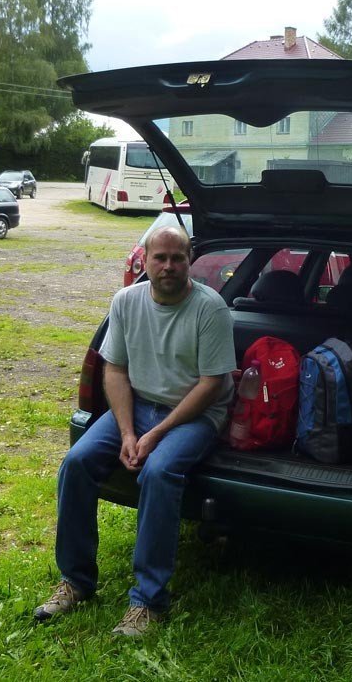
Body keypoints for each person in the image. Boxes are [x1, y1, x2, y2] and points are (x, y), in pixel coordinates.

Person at [35, 224, 236, 637]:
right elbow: (115, 369)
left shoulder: (210, 308)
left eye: (177, 257)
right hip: (137, 406)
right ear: (143, 260)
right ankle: (75, 581)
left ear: (190, 260)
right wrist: (127, 432)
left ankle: (148, 602)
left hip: (194, 414)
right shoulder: (125, 301)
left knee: (159, 472)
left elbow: (211, 384)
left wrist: (155, 434)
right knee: (76, 462)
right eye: (159, 257)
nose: (168, 266)